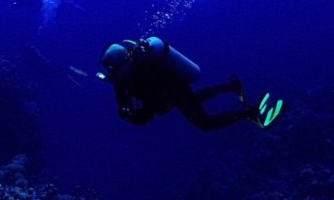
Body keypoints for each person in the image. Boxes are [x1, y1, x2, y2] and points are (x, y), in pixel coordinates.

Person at [97, 37, 282, 131]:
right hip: (177, 89)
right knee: (192, 100)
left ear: (112, 67)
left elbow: (137, 112)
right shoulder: (141, 60)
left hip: (174, 93)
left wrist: (133, 115)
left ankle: (252, 113)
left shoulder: (125, 78)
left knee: (205, 125)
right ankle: (229, 86)